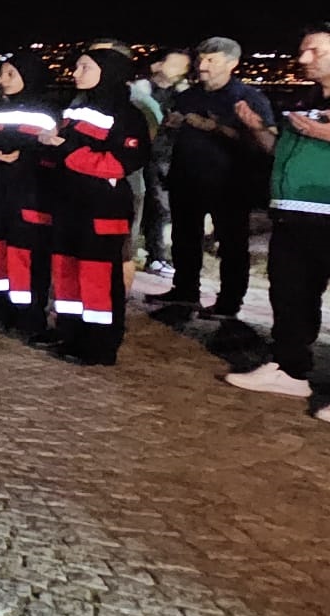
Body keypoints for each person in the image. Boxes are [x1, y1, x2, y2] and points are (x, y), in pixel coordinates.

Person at [224, 24, 330, 413]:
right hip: (293, 212)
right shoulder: (307, 99)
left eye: (314, 51)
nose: (303, 60)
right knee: (290, 296)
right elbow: (280, 149)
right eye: (302, 51)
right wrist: (257, 129)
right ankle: (289, 370)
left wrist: (324, 133)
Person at [145, 36, 273, 322]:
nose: (203, 65)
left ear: (232, 63)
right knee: (184, 238)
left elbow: (264, 142)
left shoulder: (248, 98)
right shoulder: (189, 95)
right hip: (186, 179)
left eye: (211, 60)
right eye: (201, 58)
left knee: (231, 244)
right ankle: (185, 291)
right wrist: (174, 123)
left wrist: (215, 127)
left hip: (229, 184)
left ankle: (228, 303)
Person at [42, 42, 150, 365]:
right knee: (66, 273)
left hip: (101, 209)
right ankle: (70, 333)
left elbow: (121, 163)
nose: (75, 73)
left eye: (85, 67)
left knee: (97, 279)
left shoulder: (128, 115)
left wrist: (66, 153)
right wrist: (47, 146)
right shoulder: (75, 109)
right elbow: (58, 151)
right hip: (67, 205)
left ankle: (100, 344)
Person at [0, 52, 60, 336]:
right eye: (2, 73)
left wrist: (23, 156)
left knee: (26, 254)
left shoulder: (48, 111)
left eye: (10, 74)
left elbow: (54, 152)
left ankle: (28, 314)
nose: (3, 80)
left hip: (31, 194)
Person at [140, 49, 190, 277]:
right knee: (157, 207)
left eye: (185, 66)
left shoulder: (183, 95)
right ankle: (157, 256)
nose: (180, 70)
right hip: (147, 157)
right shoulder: (139, 92)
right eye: (175, 64)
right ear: (156, 66)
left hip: (173, 156)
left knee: (166, 208)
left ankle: (161, 255)